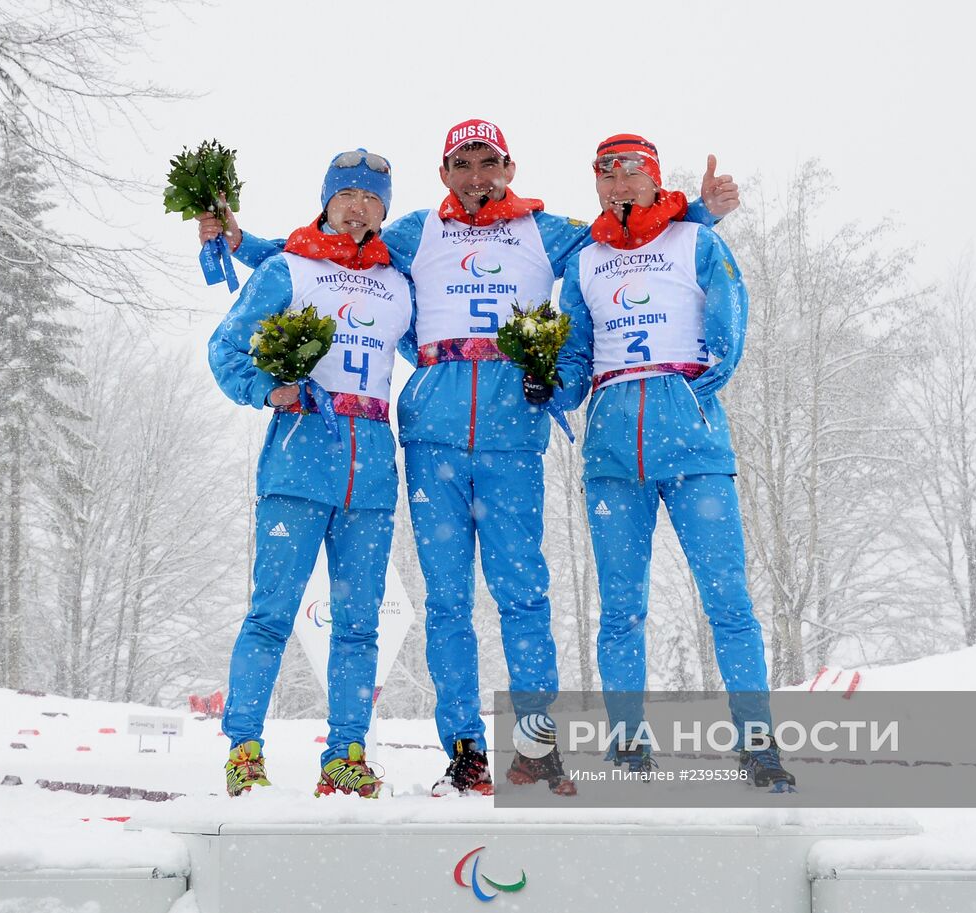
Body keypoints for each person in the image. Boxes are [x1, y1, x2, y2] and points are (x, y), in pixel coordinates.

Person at [200, 120, 740, 797]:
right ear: (444, 172)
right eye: (463, 163)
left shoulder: (548, 231)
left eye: (489, 162)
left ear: (510, 168)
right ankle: (465, 749)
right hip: (432, 441)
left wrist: (697, 212)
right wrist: (237, 241)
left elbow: (629, 230)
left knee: (524, 596)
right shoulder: (414, 232)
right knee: (447, 603)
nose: (478, 175)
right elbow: (322, 251)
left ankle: (537, 749)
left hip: (514, 435)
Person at [553, 134, 795, 791]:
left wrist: (689, 391)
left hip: (694, 448)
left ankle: (758, 743)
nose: (619, 184)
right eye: (606, 174)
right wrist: (549, 380)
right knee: (622, 608)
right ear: (596, 185)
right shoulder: (586, 263)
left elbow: (729, 325)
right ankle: (628, 744)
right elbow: (574, 358)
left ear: (656, 180)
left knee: (727, 598)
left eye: (632, 171)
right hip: (611, 456)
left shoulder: (697, 242)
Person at [208, 149, 415, 798]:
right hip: (298, 459)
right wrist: (271, 391)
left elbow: (437, 342)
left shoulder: (397, 281)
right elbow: (225, 348)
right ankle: (244, 748)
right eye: (346, 194)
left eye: (371, 198)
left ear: (384, 211)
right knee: (270, 612)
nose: (358, 206)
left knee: (359, 624)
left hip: (372, 470)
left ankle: (345, 754)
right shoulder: (288, 269)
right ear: (325, 201)